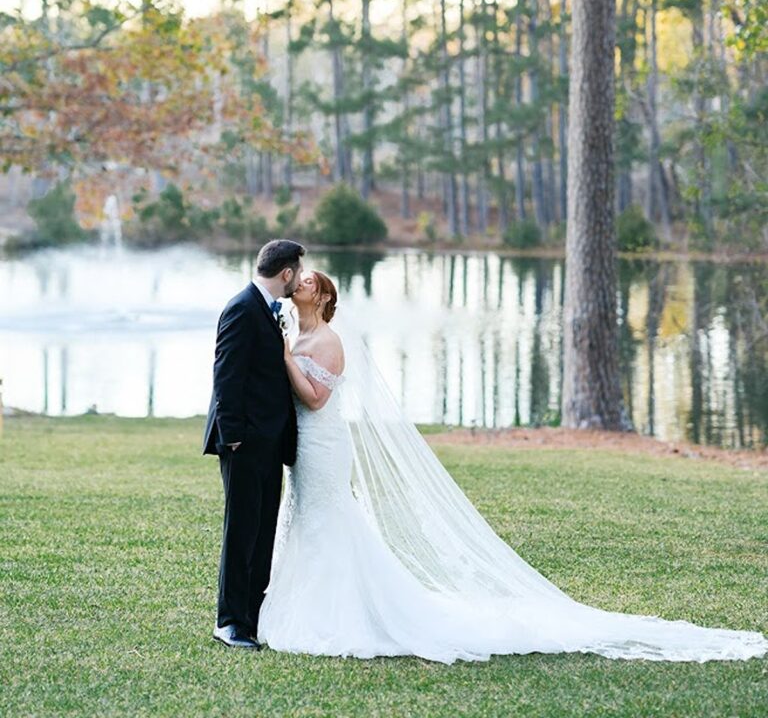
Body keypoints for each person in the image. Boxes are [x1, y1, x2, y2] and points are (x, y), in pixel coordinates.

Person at [258, 269, 768, 664]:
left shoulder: (326, 341)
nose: (300, 283)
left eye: (308, 282)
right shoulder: (294, 331)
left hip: (324, 443)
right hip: (304, 448)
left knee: (329, 519)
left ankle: (343, 612)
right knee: (307, 519)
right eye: (299, 279)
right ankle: (303, 600)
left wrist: (284, 358)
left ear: (323, 298)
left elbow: (317, 400)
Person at [202, 238, 304, 649]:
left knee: (262, 532)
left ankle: (253, 617)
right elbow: (225, 377)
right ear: (287, 273)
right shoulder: (242, 308)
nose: (298, 278)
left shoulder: (268, 308)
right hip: (244, 443)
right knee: (241, 532)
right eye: (298, 271)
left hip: (270, 442)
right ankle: (228, 622)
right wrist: (235, 438)